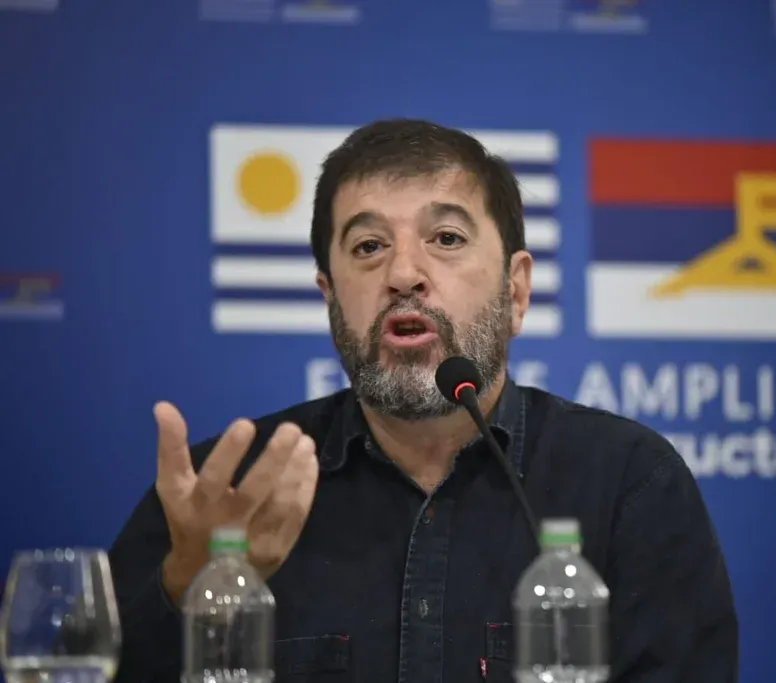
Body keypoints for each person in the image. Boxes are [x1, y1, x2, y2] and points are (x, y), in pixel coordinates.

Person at [107, 118, 739, 683]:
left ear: (516, 291)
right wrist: (186, 586)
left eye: (447, 238)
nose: (403, 274)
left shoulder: (627, 483)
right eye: (368, 246)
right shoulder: (228, 498)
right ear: (330, 298)